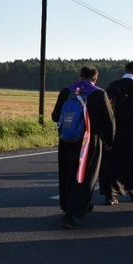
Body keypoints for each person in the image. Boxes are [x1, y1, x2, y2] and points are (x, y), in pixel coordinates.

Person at [52, 66, 115, 229]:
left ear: (79, 76)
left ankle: (71, 207)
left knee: (68, 174)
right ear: (95, 79)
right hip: (89, 141)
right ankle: (72, 214)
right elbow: (109, 121)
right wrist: (109, 141)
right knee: (85, 177)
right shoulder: (99, 93)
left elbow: (54, 116)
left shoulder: (66, 91)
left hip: (67, 140)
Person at [99, 61, 133, 205]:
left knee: (113, 161)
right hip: (131, 126)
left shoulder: (114, 84)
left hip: (114, 126)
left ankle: (110, 194)